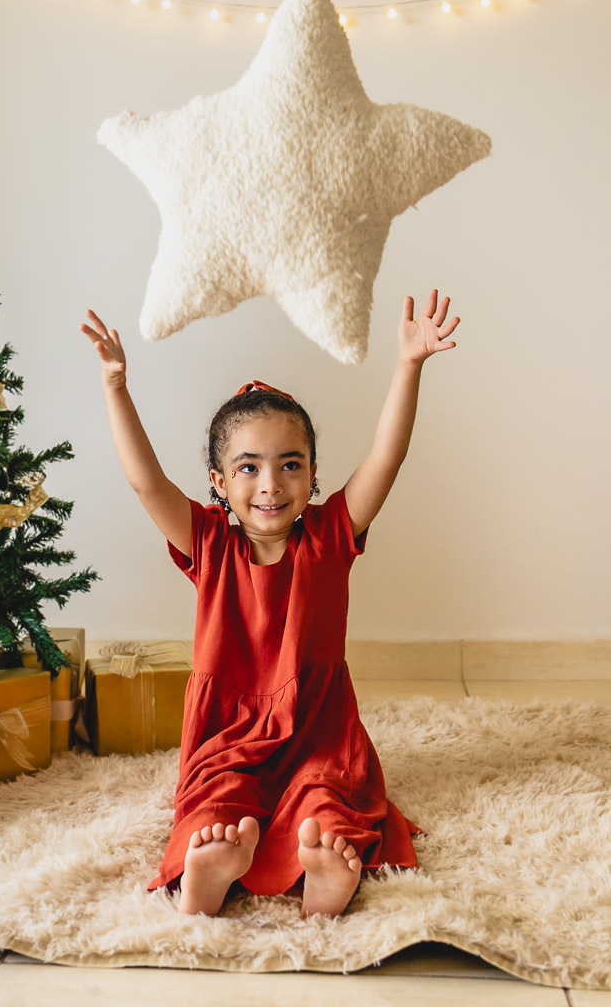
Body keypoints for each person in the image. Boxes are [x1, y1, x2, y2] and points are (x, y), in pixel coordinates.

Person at [79, 289, 459, 918]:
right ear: (219, 484)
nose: (271, 484)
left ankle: (323, 878)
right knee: (216, 798)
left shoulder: (332, 534)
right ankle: (210, 872)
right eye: (248, 468)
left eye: (289, 465)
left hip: (316, 729)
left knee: (326, 799)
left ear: (313, 475)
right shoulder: (206, 542)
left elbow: (386, 457)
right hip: (228, 735)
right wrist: (117, 387)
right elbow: (146, 481)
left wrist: (408, 365)